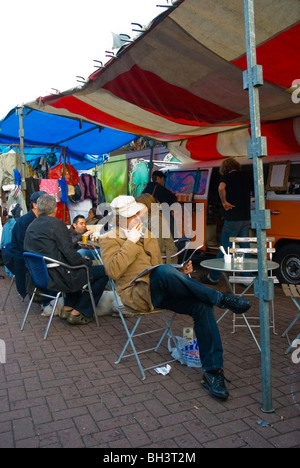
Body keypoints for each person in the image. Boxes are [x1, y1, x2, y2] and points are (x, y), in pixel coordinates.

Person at [99, 195, 252, 401]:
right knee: (163, 271)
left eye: (137, 213)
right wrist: (131, 243)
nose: (136, 217)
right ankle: (221, 299)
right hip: (136, 294)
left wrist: (180, 272)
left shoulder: (150, 236)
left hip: (158, 291)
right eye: (131, 215)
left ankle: (213, 373)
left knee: (201, 306)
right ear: (118, 218)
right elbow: (113, 271)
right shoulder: (110, 238)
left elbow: (157, 269)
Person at [24, 194, 108, 325]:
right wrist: (86, 262)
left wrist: (79, 260)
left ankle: (68, 308)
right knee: (104, 271)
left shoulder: (31, 226)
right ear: (56, 209)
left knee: (76, 266)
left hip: (39, 276)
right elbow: (69, 253)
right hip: (58, 276)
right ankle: (81, 311)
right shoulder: (57, 224)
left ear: (39, 209)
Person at [201, 158, 252, 285]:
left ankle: (213, 277)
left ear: (226, 168)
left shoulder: (227, 177)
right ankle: (247, 278)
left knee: (225, 249)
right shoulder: (246, 176)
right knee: (245, 248)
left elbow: (221, 188)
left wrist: (224, 202)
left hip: (232, 218)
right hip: (245, 218)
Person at [2, 191, 46, 298]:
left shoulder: (40, 219)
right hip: (23, 258)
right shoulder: (25, 221)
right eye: (44, 202)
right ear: (35, 205)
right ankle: (46, 298)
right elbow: (25, 247)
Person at [136, 193, 178, 263]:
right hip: (158, 255)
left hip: (164, 259)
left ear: (148, 206)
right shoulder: (147, 219)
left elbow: (157, 246)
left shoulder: (155, 219)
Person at [143, 170, 177, 237]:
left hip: (147, 215)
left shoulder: (146, 188)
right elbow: (173, 198)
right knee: (171, 228)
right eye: (163, 179)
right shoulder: (160, 188)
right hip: (159, 214)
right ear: (158, 178)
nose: (163, 182)